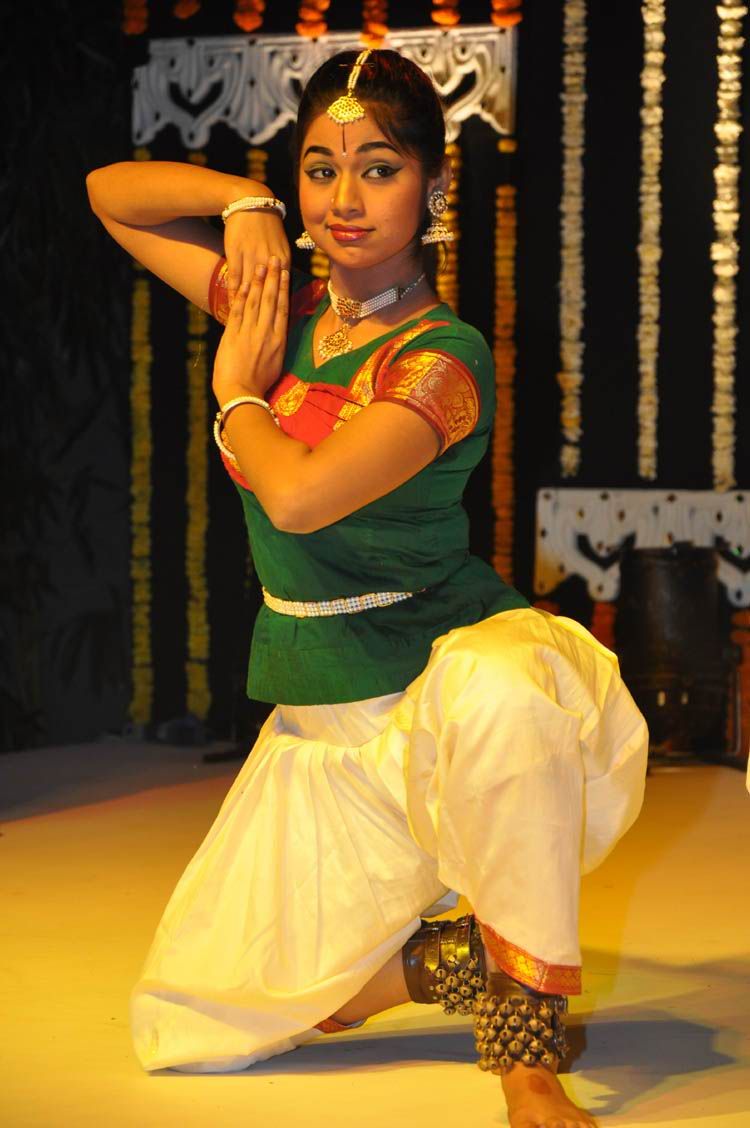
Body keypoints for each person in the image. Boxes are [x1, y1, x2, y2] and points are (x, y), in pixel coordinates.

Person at [87, 47, 648, 1128]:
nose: (344, 199)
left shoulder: (442, 360)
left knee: (504, 690)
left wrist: (233, 391)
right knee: (194, 1022)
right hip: (327, 718)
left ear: (433, 187)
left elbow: (300, 499)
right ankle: (457, 956)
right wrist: (243, 201)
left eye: (379, 169)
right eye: (320, 169)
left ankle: (527, 1054)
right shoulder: (282, 309)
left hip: (440, 690)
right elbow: (111, 195)